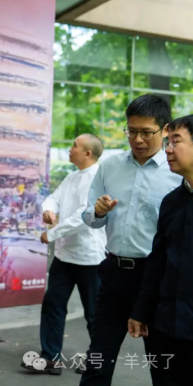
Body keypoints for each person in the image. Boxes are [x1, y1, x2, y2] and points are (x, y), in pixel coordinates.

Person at [79, 94, 181, 386]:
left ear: (164, 130)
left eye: (146, 132)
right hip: (114, 275)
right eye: (131, 131)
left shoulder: (176, 172)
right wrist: (98, 212)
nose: (137, 139)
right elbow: (89, 217)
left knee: (162, 365)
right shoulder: (110, 166)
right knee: (98, 362)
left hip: (157, 280)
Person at [21, 134, 107, 375]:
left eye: (74, 146)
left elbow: (83, 216)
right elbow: (53, 198)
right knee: (53, 305)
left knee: (95, 314)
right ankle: (50, 358)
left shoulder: (98, 179)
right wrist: (49, 210)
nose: (70, 149)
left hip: (90, 258)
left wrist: (52, 233)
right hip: (64, 256)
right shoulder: (72, 176)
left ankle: (97, 360)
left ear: (88, 153)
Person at [128, 115, 193, 385]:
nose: (167, 150)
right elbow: (157, 263)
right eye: (167, 143)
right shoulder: (172, 202)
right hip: (165, 327)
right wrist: (141, 312)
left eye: (176, 141)